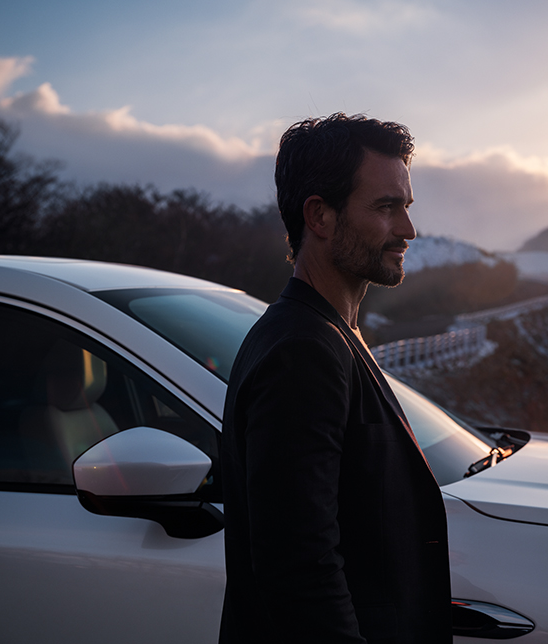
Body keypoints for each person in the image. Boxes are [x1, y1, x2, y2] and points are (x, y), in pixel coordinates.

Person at [218, 113, 452, 644]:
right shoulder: (302, 352)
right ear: (319, 216)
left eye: (407, 208)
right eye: (386, 207)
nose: (408, 230)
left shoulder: (328, 335)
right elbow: (300, 569)